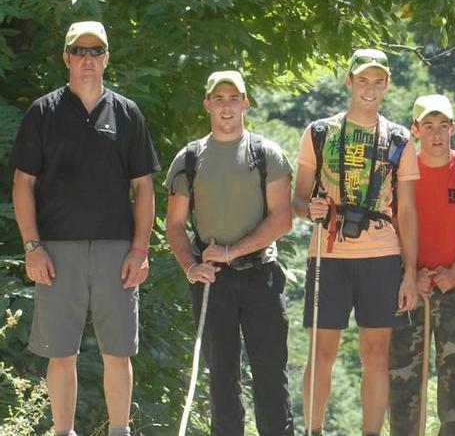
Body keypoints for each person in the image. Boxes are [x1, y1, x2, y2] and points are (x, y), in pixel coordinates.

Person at [10, 21, 160, 436]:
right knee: (61, 353)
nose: (88, 59)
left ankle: (119, 431)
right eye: (80, 51)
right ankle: (63, 432)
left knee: (118, 352)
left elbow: (144, 189)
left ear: (107, 57)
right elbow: (23, 184)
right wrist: (32, 246)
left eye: (97, 51)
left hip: (117, 250)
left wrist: (140, 249)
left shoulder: (127, 112)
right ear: (66, 57)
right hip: (56, 251)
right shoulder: (43, 112)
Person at [293, 48, 420, 436]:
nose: (370, 89)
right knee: (321, 354)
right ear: (349, 82)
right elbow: (296, 200)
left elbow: (408, 211)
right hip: (328, 253)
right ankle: (313, 430)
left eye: (377, 82)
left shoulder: (399, 138)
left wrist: (410, 273)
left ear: (387, 85)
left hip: (381, 254)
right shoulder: (320, 131)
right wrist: (308, 208)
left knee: (375, 355)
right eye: (362, 80)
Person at [164, 70, 294, 435]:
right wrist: (191, 266)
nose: (226, 106)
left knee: (270, 375)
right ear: (207, 103)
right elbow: (174, 225)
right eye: (218, 99)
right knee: (221, 378)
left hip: (261, 276)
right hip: (212, 282)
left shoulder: (267, 154)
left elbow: (282, 219)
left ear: (245, 103)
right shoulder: (188, 159)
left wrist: (232, 250)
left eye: (233, 98)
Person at [388, 95, 455, 435]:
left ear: (453, 128)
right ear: (415, 130)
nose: (436, 134)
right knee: (403, 385)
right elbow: (394, 225)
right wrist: (410, 273)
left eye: (443, 126)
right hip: (409, 289)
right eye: (428, 126)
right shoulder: (401, 172)